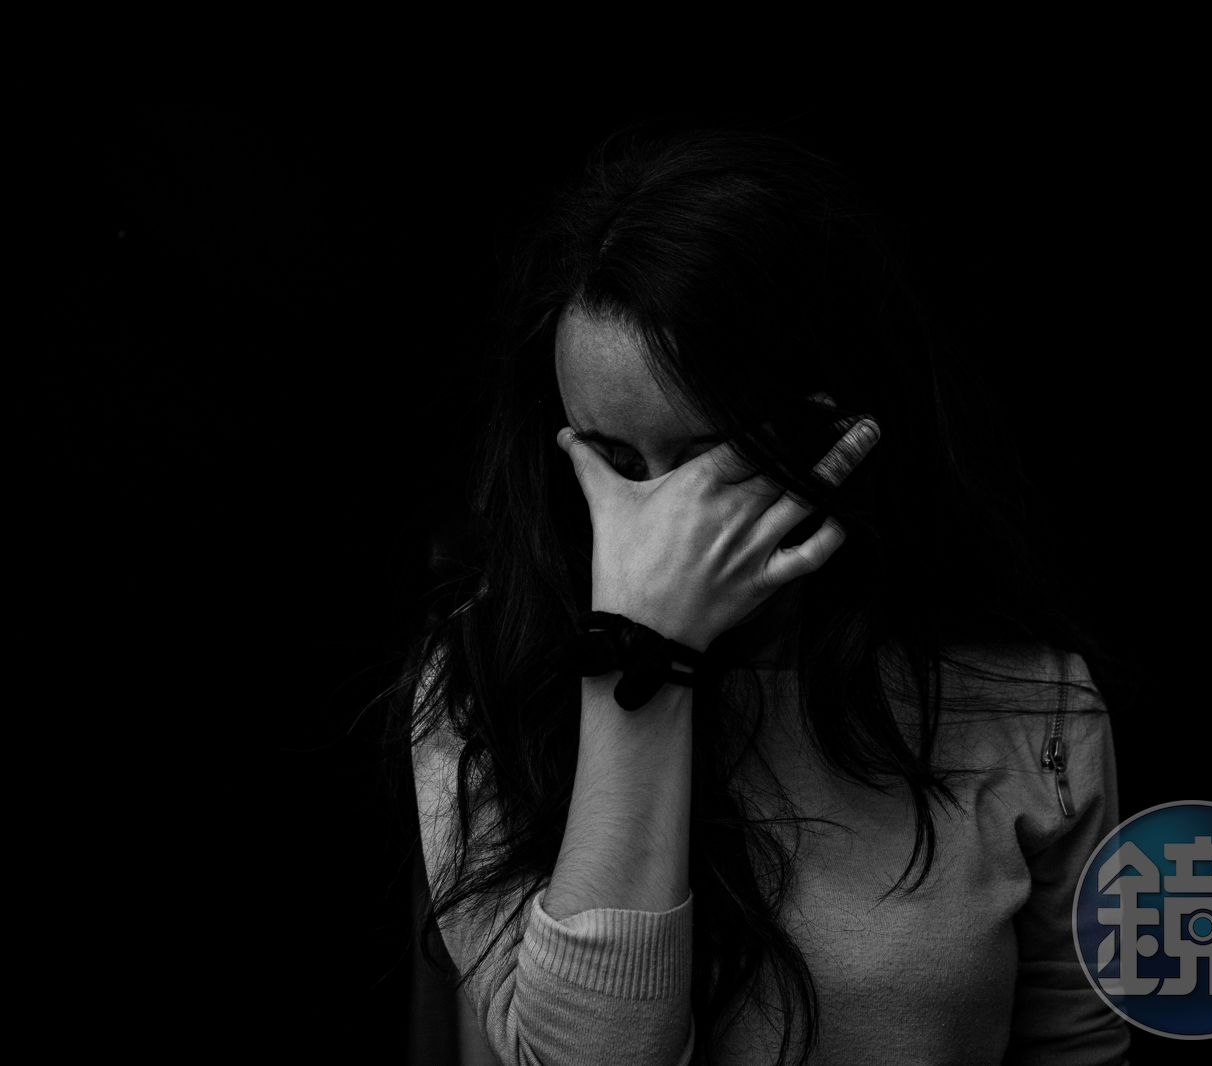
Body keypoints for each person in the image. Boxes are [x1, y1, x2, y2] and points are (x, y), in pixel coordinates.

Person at [384, 121, 1131, 1065]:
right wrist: (642, 653)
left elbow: (1076, 1046)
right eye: (615, 462)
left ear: (836, 431)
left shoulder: (1023, 697)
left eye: (706, 462)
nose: (658, 527)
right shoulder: (486, 682)